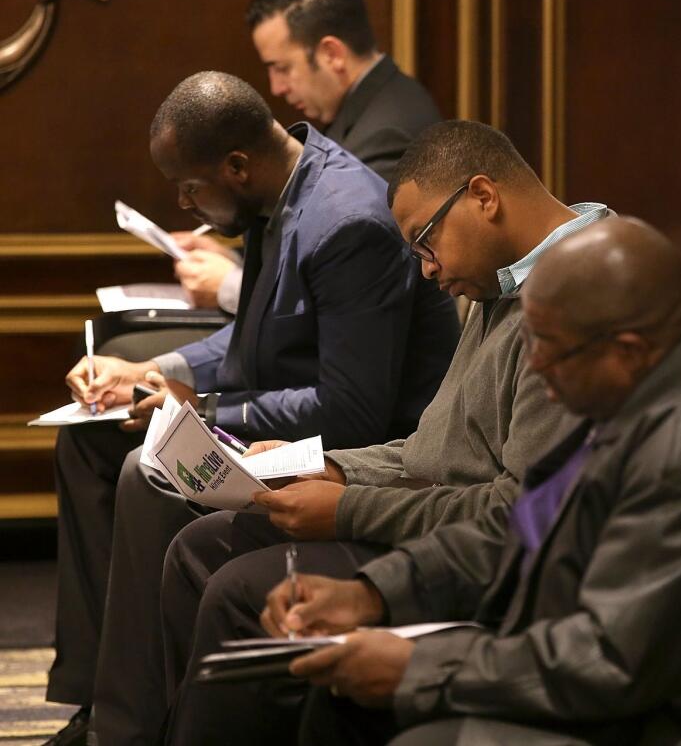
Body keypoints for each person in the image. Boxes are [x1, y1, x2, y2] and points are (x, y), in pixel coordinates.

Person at [233, 217, 681, 745]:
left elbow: (611, 661)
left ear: (628, 349)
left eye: (550, 349)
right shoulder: (649, 393)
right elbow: (523, 526)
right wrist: (374, 593)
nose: (535, 369)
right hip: (646, 681)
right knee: (346, 697)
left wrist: (420, 665)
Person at [107, 119, 609, 745]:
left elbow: (523, 514)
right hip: (435, 517)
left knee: (240, 589)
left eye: (426, 243)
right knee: (201, 546)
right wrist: (327, 467)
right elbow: (433, 450)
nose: (425, 271)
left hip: (493, 566)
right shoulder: (501, 281)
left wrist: (350, 509)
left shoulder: (579, 294)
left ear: (484, 197)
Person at [45, 72, 459, 746]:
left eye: (189, 187)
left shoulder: (348, 222)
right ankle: (98, 694)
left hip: (357, 455)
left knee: (143, 474)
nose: (184, 203)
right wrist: (152, 372)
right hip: (286, 426)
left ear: (236, 167)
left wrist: (202, 408)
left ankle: (128, 731)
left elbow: (352, 410)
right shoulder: (277, 192)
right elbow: (252, 341)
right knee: (91, 442)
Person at [168, 0, 442, 314]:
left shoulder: (387, 133)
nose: (276, 88)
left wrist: (229, 287)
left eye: (282, 68)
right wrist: (237, 257)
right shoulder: (364, 109)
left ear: (331, 54)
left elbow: (349, 275)